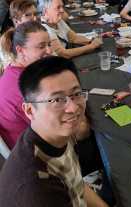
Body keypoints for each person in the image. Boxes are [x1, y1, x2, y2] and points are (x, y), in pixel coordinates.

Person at [0, 56, 109, 207]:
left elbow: (77, 182)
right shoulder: (37, 189)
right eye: (57, 100)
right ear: (30, 110)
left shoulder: (59, 133)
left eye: (76, 94)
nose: (73, 108)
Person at [0, 21, 52, 150]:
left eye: (49, 45)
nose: (49, 51)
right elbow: (55, 131)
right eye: (41, 46)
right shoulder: (26, 88)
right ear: (21, 51)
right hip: (34, 155)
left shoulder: (13, 69)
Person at [39, 0, 103, 58]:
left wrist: (91, 41)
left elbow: (73, 37)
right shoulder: (45, 30)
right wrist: (92, 46)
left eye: (62, 7)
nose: (62, 10)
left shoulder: (58, 21)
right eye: (58, 7)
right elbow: (63, 54)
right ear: (46, 11)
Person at [0, 0, 50, 75]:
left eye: (36, 13)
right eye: (28, 15)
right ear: (16, 22)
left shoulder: (40, 36)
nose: (35, 18)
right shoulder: (11, 51)